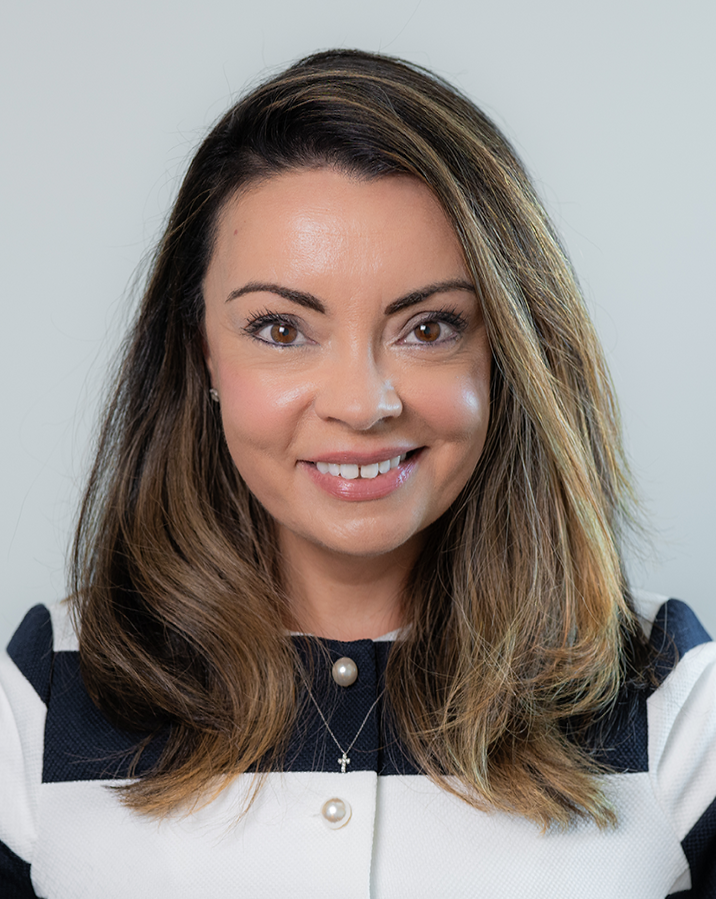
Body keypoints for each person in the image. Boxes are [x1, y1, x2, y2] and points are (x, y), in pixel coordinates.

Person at [1, 49, 714, 899]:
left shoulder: (667, 698)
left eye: (430, 326)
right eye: (280, 329)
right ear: (201, 354)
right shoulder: (49, 686)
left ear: (509, 352)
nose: (362, 402)